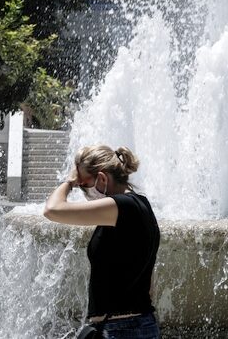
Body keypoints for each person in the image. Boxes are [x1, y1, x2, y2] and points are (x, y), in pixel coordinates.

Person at [43, 145, 161, 339]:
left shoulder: (122, 206)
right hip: (130, 325)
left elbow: (52, 210)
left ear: (103, 178)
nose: (82, 189)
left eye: (84, 184)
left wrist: (69, 182)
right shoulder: (138, 206)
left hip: (123, 329)